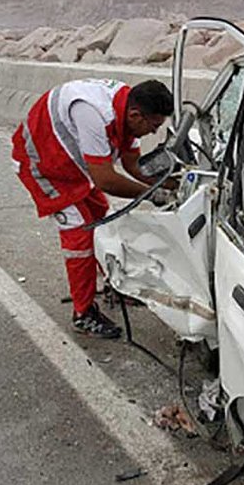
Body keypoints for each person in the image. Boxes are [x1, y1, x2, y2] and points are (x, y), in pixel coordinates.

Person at [11, 78, 174, 338]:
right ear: (135, 115)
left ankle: (113, 283)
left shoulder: (128, 110)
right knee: (79, 235)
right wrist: (154, 195)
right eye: (153, 126)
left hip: (73, 167)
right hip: (43, 166)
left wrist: (172, 182)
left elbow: (134, 165)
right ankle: (83, 313)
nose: (154, 133)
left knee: (101, 220)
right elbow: (106, 179)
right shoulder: (93, 113)